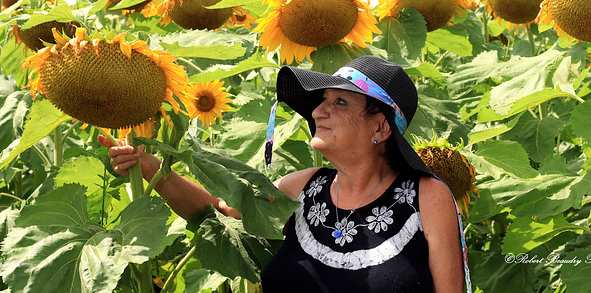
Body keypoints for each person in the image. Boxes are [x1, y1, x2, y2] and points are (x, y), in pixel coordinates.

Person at [99, 55, 469, 293]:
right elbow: (218, 215)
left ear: (381, 128)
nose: (319, 112)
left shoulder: (426, 196)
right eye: (322, 101)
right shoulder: (303, 186)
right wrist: (152, 170)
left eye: (339, 102)